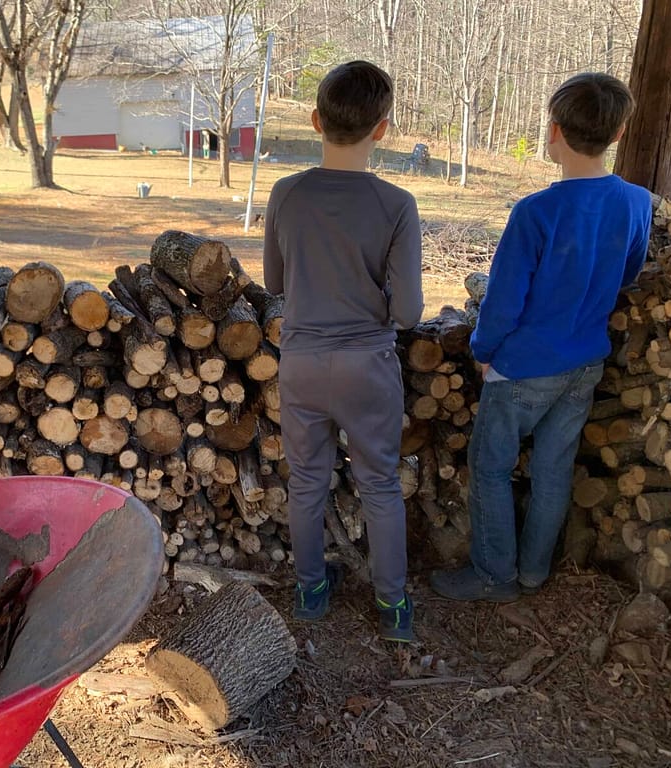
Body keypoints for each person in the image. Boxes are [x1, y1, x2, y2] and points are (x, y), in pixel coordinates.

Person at [430, 73, 652, 603]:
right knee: (554, 469)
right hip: (586, 362)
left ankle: (493, 576)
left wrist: (484, 352)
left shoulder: (535, 212)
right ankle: (533, 572)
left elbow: (504, 301)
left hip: (524, 366)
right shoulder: (637, 202)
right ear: (619, 133)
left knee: (490, 468)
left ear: (553, 131)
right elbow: (629, 272)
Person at [263, 60, 423, 642]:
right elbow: (408, 313)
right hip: (367, 367)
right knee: (380, 484)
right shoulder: (397, 205)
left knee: (307, 481)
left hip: (302, 362)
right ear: (383, 129)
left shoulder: (286, 193)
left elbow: (274, 284)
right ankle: (394, 604)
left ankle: (310, 591)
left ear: (313, 121)